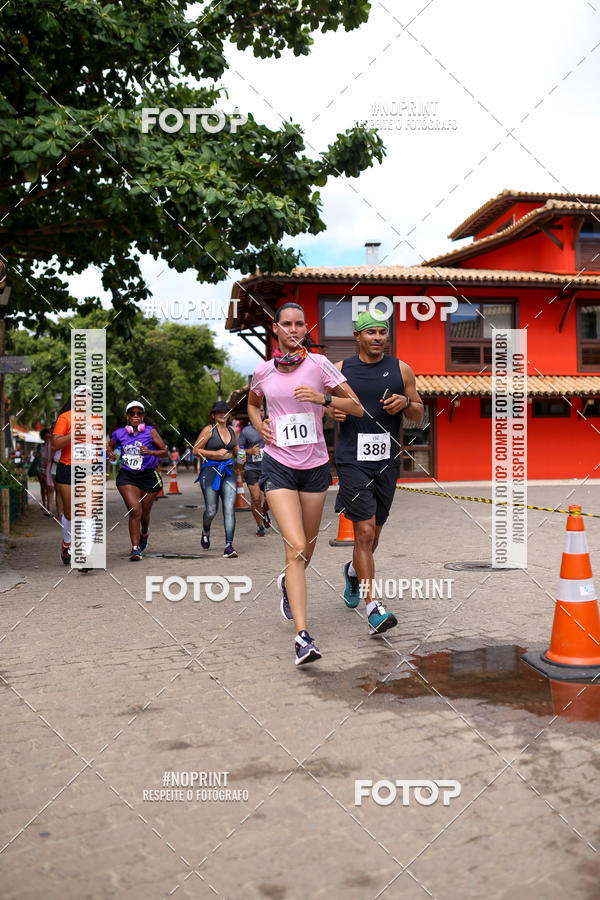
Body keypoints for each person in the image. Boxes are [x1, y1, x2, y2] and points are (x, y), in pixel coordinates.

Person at [248, 301, 363, 666]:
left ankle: (286, 583)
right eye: (287, 324)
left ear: (304, 329)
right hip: (278, 465)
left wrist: (323, 398)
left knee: (305, 553)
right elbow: (252, 404)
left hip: (314, 468)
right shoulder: (263, 371)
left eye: (299, 324)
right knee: (295, 546)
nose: (293, 330)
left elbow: (356, 405)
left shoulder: (319, 364)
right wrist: (260, 423)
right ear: (276, 329)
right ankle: (302, 637)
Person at [333, 310, 425, 634]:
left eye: (382, 332)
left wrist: (405, 402)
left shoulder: (401, 369)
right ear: (357, 336)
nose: (377, 338)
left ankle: (353, 572)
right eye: (370, 332)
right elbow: (326, 405)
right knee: (365, 532)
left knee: (374, 538)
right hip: (352, 461)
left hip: (387, 462)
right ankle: (374, 608)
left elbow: (419, 413)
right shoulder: (341, 370)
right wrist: (335, 412)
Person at [107, 401, 168, 560]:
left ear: (143, 416)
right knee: (135, 511)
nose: (135, 416)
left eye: (139, 413)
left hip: (149, 476)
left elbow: (164, 452)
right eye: (132, 413)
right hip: (128, 476)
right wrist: (110, 453)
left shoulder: (150, 432)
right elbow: (109, 446)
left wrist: (150, 452)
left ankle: (145, 532)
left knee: (144, 514)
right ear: (127, 416)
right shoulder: (119, 433)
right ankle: (135, 549)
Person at [193, 400, 239, 558]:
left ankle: (229, 546)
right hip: (210, 471)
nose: (222, 414)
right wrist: (215, 454)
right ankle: (206, 530)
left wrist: (242, 456)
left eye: (225, 411)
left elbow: (236, 449)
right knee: (211, 510)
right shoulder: (208, 430)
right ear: (213, 415)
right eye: (219, 412)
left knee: (229, 508)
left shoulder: (233, 430)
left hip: (228, 471)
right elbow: (195, 450)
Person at [238, 409, 271, 537]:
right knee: (256, 498)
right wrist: (249, 452)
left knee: (271, 499)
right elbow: (239, 450)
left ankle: (264, 512)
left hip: (269, 468)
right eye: (257, 411)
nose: (260, 413)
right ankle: (260, 526)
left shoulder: (270, 426)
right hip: (252, 469)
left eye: (262, 410)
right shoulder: (246, 431)